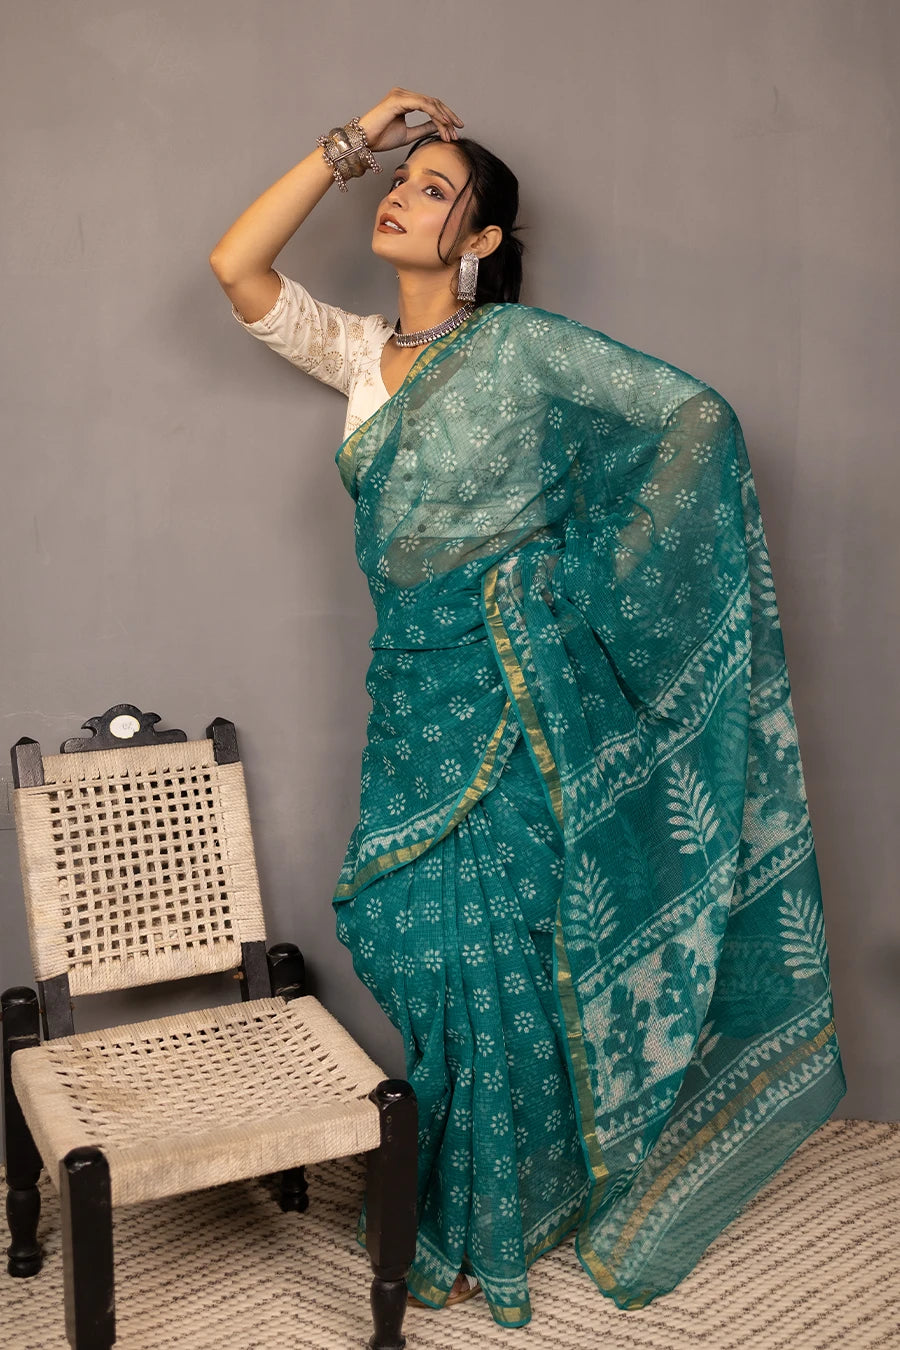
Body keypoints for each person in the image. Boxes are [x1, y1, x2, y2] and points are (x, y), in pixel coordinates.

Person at [209, 87, 847, 1330]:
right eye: (405, 183)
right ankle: (475, 1175)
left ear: (483, 242)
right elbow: (236, 265)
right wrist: (356, 142)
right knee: (413, 943)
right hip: (411, 708)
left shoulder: (523, 349)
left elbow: (694, 421)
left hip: (511, 708)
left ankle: (486, 1211)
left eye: (434, 189)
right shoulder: (354, 354)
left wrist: (558, 585)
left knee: (493, 957)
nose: (402, 197)